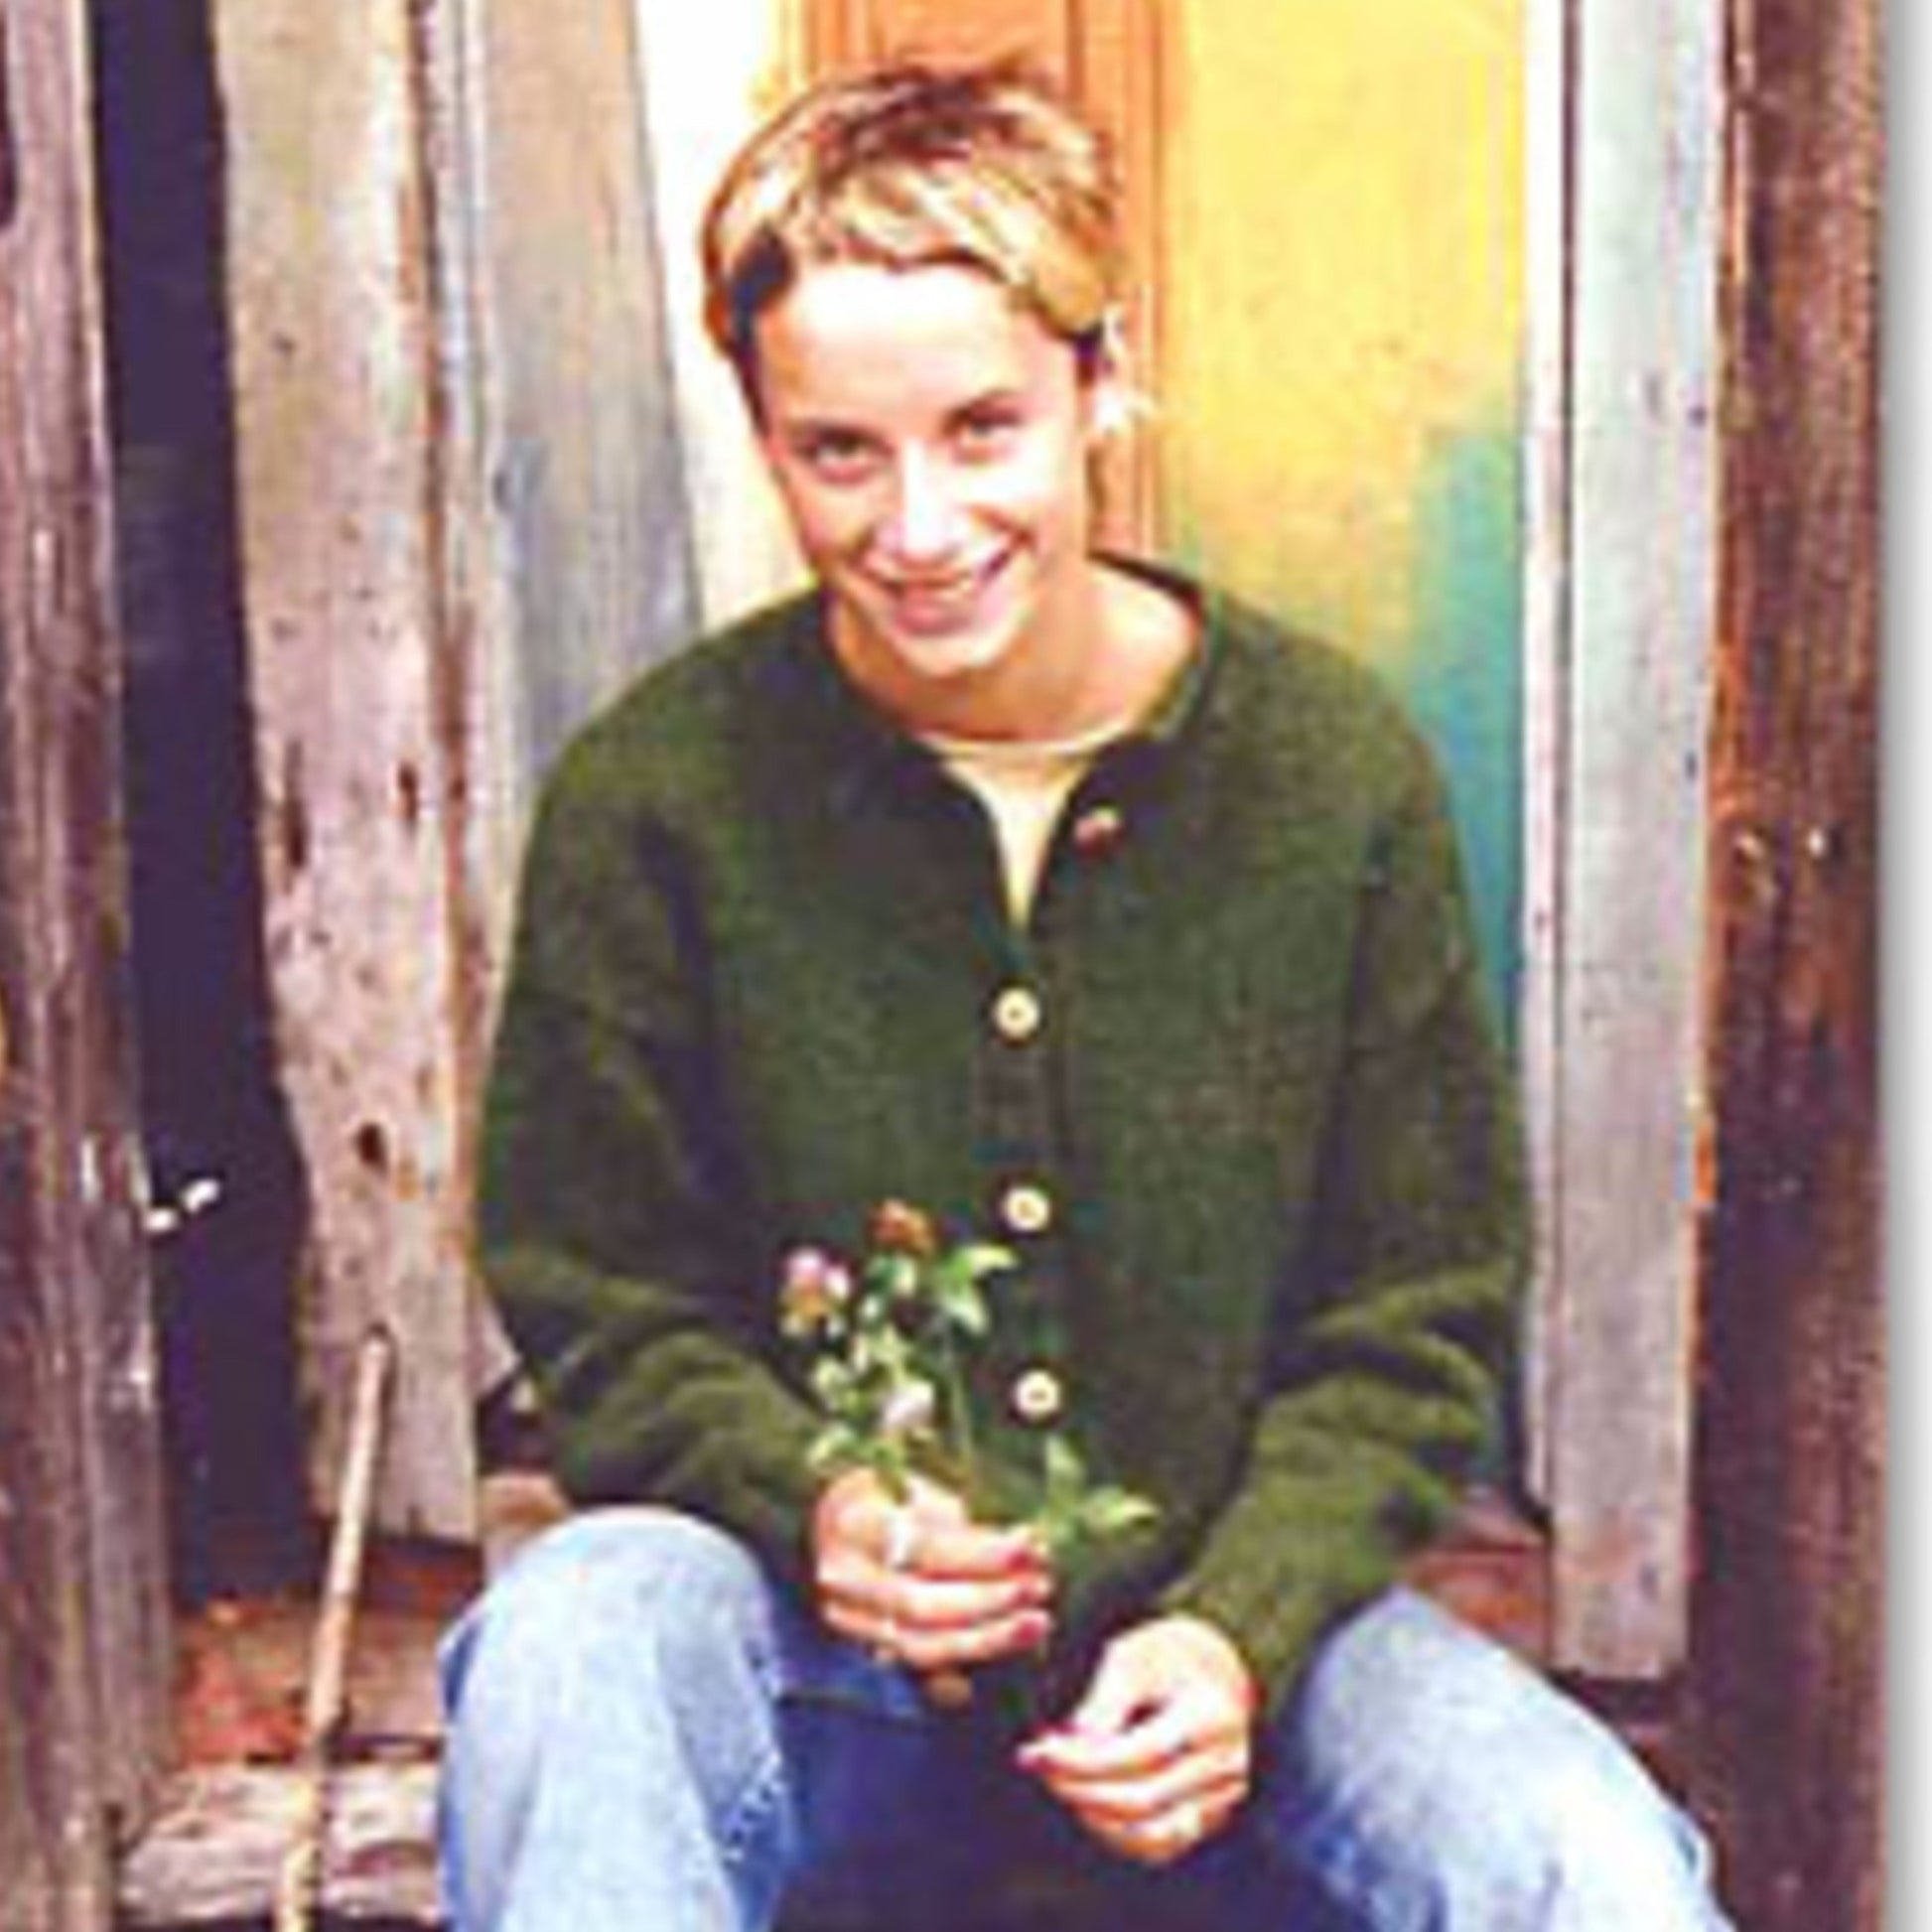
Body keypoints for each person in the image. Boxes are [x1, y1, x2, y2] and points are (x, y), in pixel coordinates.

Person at [437, 58, 1731, 1932]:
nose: (920, 522)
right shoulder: (662, 797)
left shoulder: (1324, 777)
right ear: (764, 433)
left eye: (982, 428)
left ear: (1099, 385)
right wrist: (816, 1507)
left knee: (1592, 1870)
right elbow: (599, 1297)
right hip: (816, 1674)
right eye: (838, 452)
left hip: (1240, 1673)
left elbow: (1411, 1320)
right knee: (574, 1627)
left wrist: (1233, 1631)